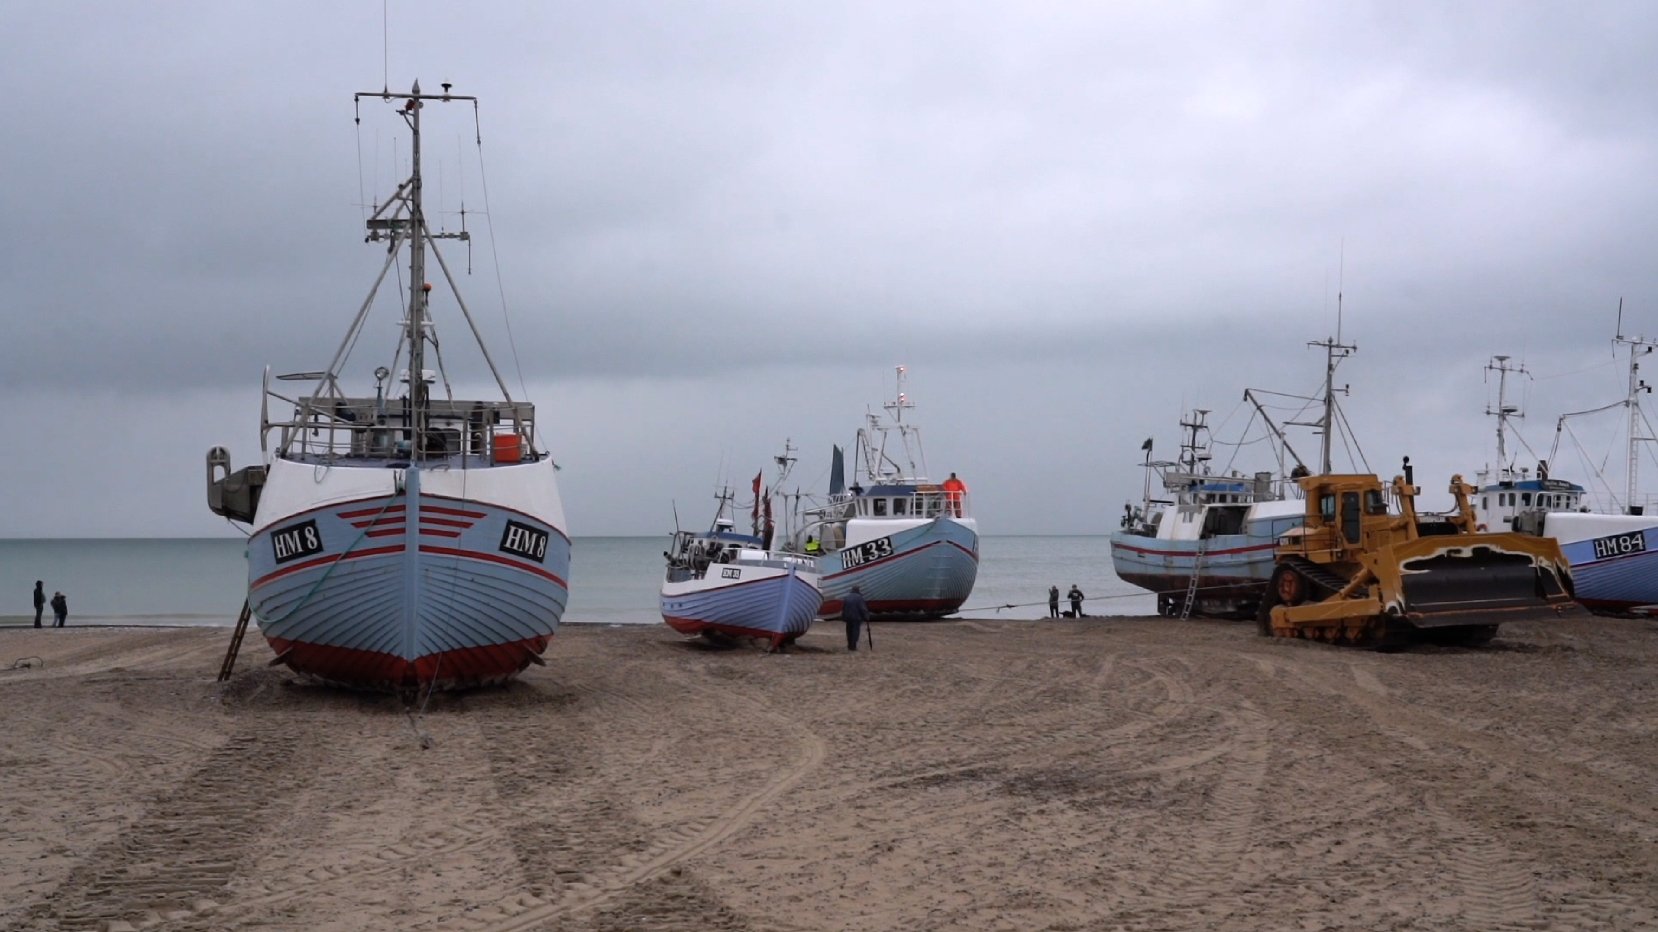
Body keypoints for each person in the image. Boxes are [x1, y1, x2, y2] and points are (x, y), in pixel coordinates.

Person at [842, 585, 870, 651]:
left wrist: (843, 617)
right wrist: (866, 617)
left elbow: (844, 608)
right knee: (855, 632)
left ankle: (849, 645)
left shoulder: (847, 597)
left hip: (848, 617)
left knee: (849, 632)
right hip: (856, 618)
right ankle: (853, 646)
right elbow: (862, 608)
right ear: (858, 591)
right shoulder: (859, 598)